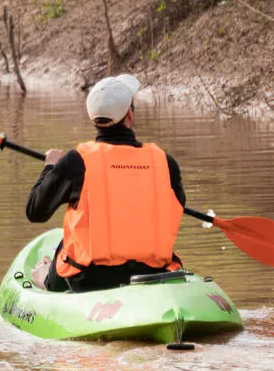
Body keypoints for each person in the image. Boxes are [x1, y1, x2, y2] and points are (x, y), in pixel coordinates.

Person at [24, 74, 186, 292]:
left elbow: (36, 211)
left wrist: (50, 167)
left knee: (62, 252)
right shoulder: (166, 163)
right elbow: (177, 208)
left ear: (93, 119)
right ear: (130, 114)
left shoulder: (76, 161)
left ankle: (44, 278)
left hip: (89, 280)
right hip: (154, 275)